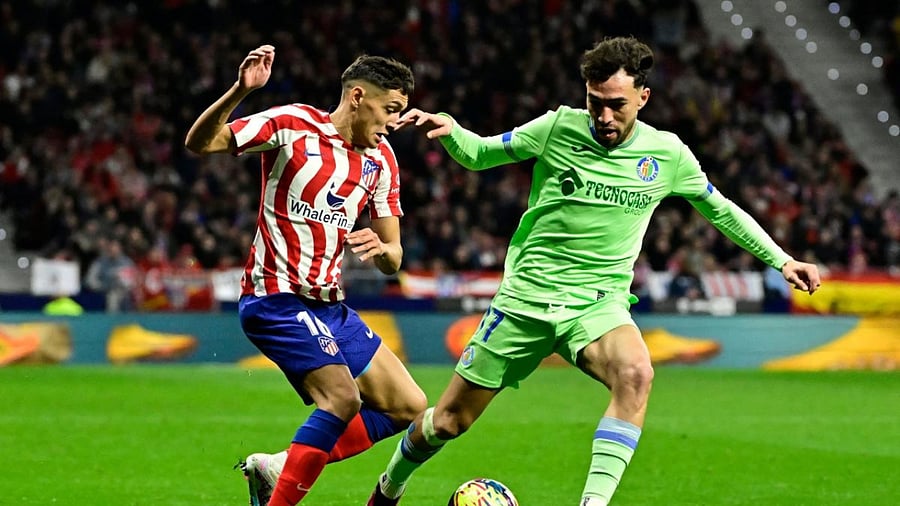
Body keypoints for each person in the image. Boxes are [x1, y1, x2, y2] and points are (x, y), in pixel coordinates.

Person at [367, 36, 822, 506]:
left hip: (596, 304)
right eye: (595, 103)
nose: (603, 117)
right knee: (446, 422)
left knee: (636, 374)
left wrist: (782, 260)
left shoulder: (667, 155)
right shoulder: (557, 127)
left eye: (616, 105)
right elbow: (482, 153)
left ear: (643, 98)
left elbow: (721, 210)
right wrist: (453, 130)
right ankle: (389, 486)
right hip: (526, 300)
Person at [184, 45, 426, 506]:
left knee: (408, 407)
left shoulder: (383, 161)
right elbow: (201, 144)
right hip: (274, 297)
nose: (395, 122)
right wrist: (240, 91)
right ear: (357, 97)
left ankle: (279, 466)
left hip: (330, 307)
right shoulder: (293, 125)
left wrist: (383, 251)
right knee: (342, 398)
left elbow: (394, 255)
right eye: (390, 110)